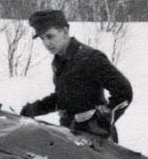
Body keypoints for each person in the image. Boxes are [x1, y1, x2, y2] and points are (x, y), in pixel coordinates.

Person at [20, 9, 133, 142]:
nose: (46, 43)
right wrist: (35, 109)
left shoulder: (90, 58)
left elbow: (124, 92)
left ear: (65, 31)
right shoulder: (58, 61)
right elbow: (63, 97)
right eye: (42, 38)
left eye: (50, 36)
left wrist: (100, 121)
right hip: (71, 136)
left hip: (96, 142)